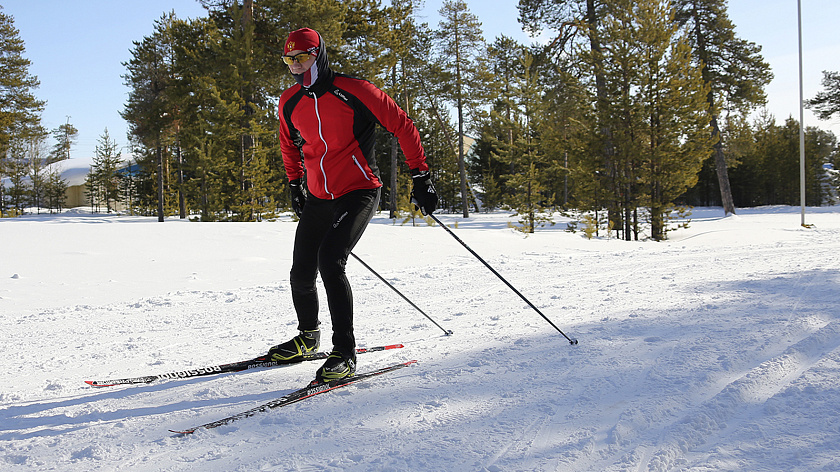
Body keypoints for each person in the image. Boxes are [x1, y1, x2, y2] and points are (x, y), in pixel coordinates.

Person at [267, 27, 438, 383]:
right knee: (301, 272)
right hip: (318, 195)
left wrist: (420, 174)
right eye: (289, 60)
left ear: (319, 54)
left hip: (359, 190)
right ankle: (307, 337)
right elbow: (288, 145)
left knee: (330, 261)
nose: (296, 67)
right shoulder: (289, 101)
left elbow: (402, 125)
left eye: (302, 58)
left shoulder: (356, 91)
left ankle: (344, 353)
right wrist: (295, 183)